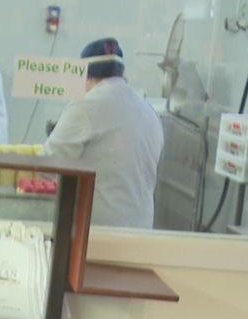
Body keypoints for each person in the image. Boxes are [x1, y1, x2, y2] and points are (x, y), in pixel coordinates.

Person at [39, 38, 164, 228]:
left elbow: (46, 165)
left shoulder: (86, 106)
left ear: (85, 75)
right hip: (141, 230)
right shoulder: (149, 111)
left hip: (97, 233)